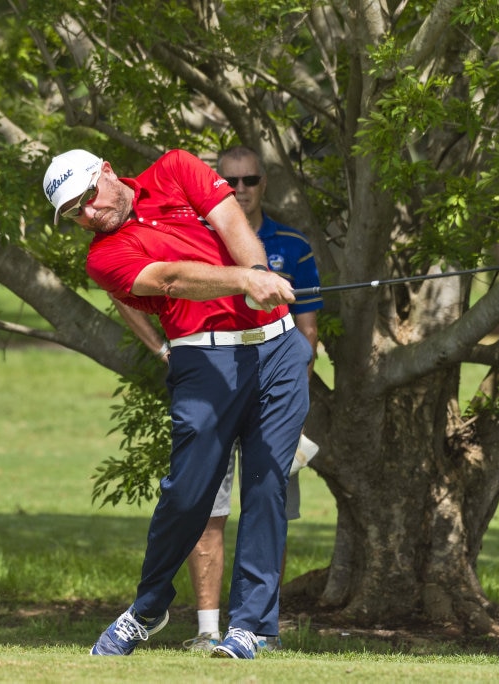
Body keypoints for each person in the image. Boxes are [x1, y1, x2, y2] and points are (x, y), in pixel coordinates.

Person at [43, 148, 313, 659]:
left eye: (89, 199)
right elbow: (168, 278)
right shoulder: (103, 257)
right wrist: (243, 280)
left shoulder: (175, 169)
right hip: (204, 364)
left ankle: (248, 627)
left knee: (266, 486)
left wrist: (257, 271)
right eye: (75, 214)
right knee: (186, 495)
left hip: (278, 351)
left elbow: (231, 219)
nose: (89, 215)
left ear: (106, 172)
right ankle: (148, 607)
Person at [181, 146, 323, 652]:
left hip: (275, 396)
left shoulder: (292, 245)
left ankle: (260, 626)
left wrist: (291, 400)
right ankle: (206, 630)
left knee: (269, 503)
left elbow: (306, 335)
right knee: (206, 507)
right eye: (230, 181)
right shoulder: (195, 241)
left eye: (250, 180)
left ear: (264, 183)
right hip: (216, 389)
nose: (240, 189)